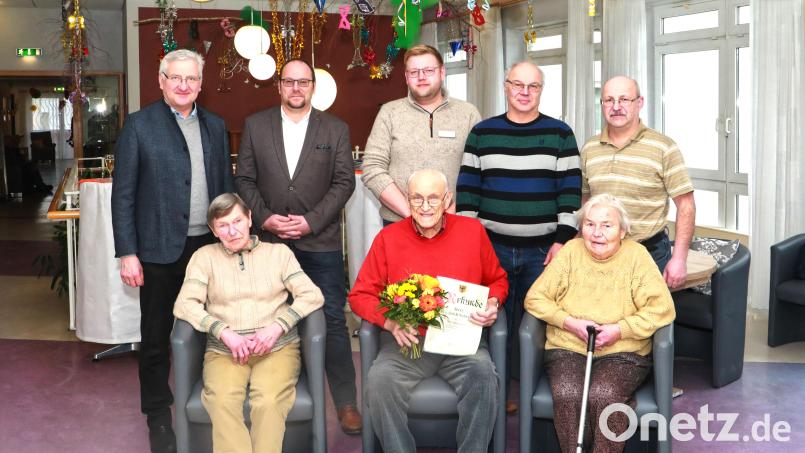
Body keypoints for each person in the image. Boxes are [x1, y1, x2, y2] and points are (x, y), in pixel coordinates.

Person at [111, 49, 234, 453]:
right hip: (158, 250)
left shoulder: (216, 125)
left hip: (208, 248)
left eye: (191, 79)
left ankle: (205, 403)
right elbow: (123, 195)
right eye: (175, 78)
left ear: (201, 83)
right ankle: (159, 417)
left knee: (208, 330)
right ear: (161, 80)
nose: (183, 85)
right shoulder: (139, 126)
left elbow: (226, 186)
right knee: (155, 337)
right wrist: (128, 251)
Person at [234, 59, 362, 434]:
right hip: (269, 242)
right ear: (279, 86)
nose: (295, 88)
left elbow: (344, 183)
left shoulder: (335, 128)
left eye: (302, 82)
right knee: (272, 319)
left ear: (312, 87)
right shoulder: (257, 126)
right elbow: (244, 178)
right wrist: (265, 217)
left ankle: (346, 402)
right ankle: (285, 398)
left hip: (319, 243)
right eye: (288, 81)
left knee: (333, 322)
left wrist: (311, 221)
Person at [349, 169, 508, 453]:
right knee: (379, 381)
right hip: (409, 344)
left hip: (461, 341)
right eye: (416, 199)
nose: (424, 207)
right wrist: (390, 323)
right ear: (407, 201)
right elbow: (360, 294)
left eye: (433, 198)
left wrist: (493, 302)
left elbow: (497, 279)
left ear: (447, 199)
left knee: (483, 376)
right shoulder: (388, 238)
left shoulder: (472, 232)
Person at [456, 61, 581, 413]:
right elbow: (467, 192)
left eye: (533, 86)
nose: (525, 92)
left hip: (544, 251)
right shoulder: (482, 133)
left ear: (541, 91)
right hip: (490, 248)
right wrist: (474, 243)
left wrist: (562, 240)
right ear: (506, 86)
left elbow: (570, 193)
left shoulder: (560, 134)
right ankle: (490, 390)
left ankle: (531, 394)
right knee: (490, 322)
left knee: (536, 327)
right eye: (518, 85)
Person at [524, 194, 676, 452]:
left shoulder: (637, 256)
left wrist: (619, 330)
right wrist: (570, 323)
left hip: (624, 352)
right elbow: (535, 298)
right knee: (568, 392)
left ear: (623, 230)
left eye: (607, 225)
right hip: (568, 347)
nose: (597, 233)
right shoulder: (571, 252)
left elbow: (662, 308)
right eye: (590, 224)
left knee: (604, 394)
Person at [173, 193, 324, 453]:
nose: (232, 231)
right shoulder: (203, 257)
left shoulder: (278, 253)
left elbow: (312, 294)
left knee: (267, 401)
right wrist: (224, 333)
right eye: (222, 226)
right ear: (213, 230)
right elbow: (184, 304)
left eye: (237, 221)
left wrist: (277, 326)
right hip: (225, 351)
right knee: (221, 401)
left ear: (250, 219)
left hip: (277, 348)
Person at [580, 75, 695, 288]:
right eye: (609, 100)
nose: (616, 107)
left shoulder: (663, 147)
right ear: (602, 104)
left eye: (624, 99)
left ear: (639, 103)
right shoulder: (589, 148)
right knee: (601, 316)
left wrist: (679, 259)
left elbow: (686, 205)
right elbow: (586, 202)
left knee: (648, 319)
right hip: (599, 254)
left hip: (649, 254)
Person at [361, 44, 481, 225]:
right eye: (414, 72)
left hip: (455, 223)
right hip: (400, 222)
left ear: (442, 72)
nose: (421, 77)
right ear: (406, 77)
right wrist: (413, 214)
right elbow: (372, 169)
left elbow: (480, 172)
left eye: (428, 70)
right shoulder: (389, 112)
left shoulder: (468, 114)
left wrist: (458, 214)